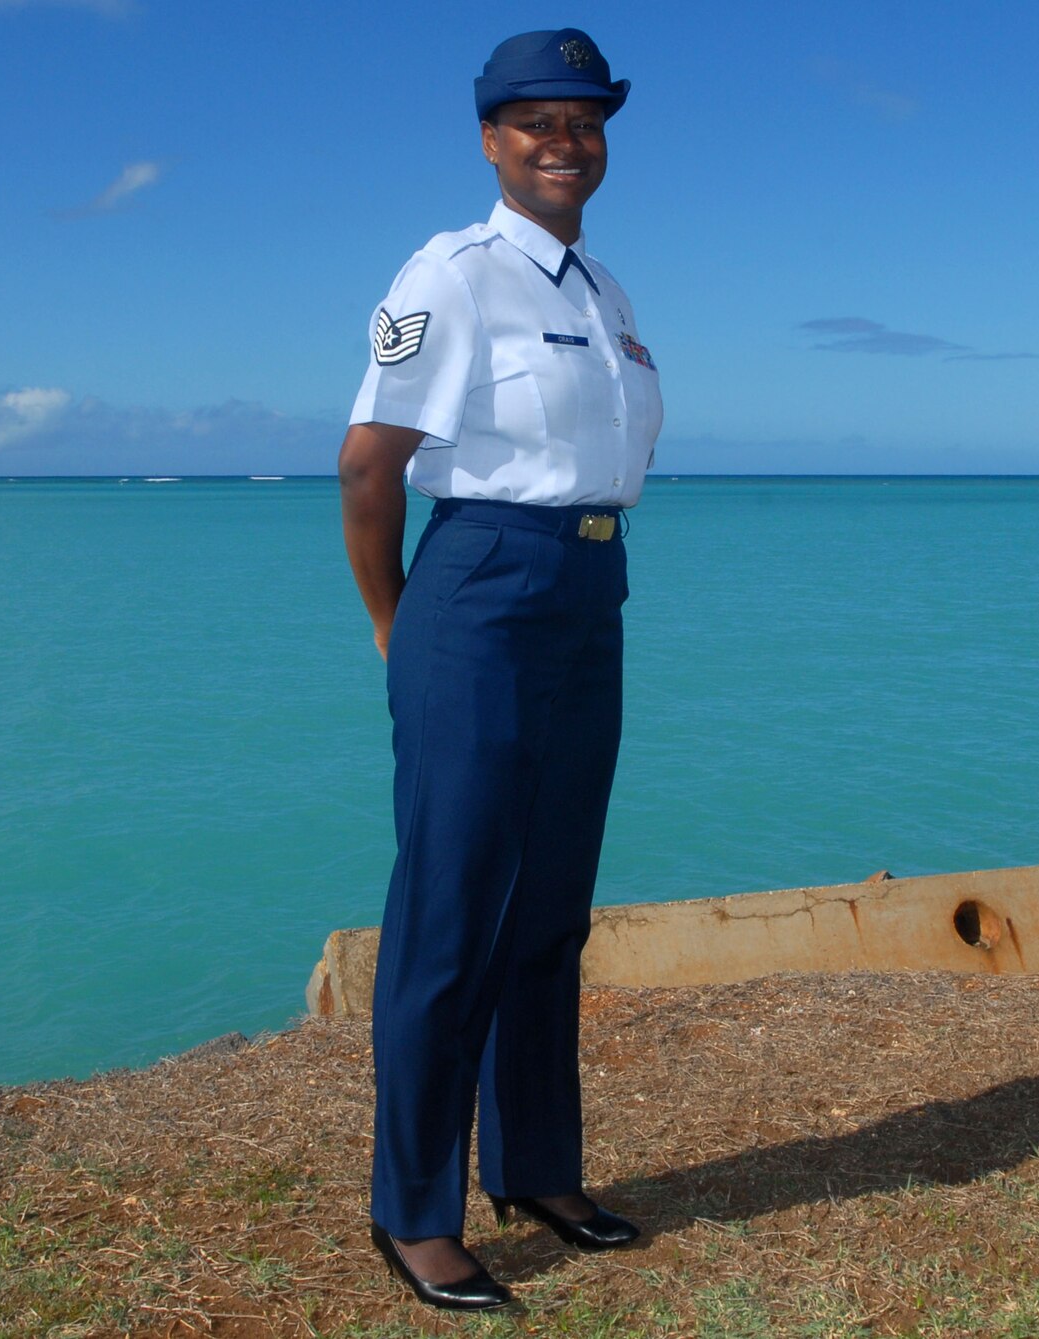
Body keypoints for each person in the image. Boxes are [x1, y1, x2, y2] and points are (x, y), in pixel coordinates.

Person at [337, 27, 662, 1313]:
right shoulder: (453, 275)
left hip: (589, 591)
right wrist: (396, 622)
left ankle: (536, 1169)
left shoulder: (602, 292)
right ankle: (413, 1212)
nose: (562, 141)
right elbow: (368, 467)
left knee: (550, 906)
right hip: (476, 589)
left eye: (584, 121)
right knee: (451, 909)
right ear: (489, 139)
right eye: (535, 121)